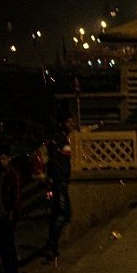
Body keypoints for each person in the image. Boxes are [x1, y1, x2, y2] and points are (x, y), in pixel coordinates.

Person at [44, 112, 74, 263]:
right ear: (62, 123)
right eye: (69, 122)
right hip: (59, 182)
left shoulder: (59, 138)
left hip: (58, 181)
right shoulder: (60, 139)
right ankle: (51, 245)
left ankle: (52, 247)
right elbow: (58, 161)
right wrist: (59, 178)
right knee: (64, 213)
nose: (72, 125)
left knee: (58, 214)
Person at [0, 144, 25, 273]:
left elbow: (17, 195)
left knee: (6, 242)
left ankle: (11, 270)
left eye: (3, 158)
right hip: (2, 213)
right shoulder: (1, 174)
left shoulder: (13, 174)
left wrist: (13, 211)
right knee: (4, 242)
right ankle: (10, 269)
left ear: (9, 159)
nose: (1, 161)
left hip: (9, 213)